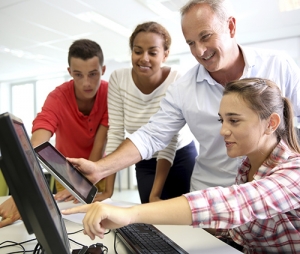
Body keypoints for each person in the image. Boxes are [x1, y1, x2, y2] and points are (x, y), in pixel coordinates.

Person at [64, 0, 300, 193]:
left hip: (271, 192)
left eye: (206, 36)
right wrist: (99, 169)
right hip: (212, 195)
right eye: (191, 43)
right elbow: (152, 136)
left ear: (230, 27)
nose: (199, 51)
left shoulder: (278, 66)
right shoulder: (184, 88)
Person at [63, 78, 300, 253]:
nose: (223, 130)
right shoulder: (248, 166)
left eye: (234, 120)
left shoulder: (294, 172)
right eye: (222, 120)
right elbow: (242, 227)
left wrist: (130, 214)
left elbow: (234, 203)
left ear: (271, 124)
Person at [0, 39, 115, 227]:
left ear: (102, 70)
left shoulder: (110, 93)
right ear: (69, 72)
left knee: (98, 223)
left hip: (98, 168)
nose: (86, 83)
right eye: (78, 75)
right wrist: (23, 191)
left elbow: (99, 145)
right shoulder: (58, 97)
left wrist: (85, 182)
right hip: (66, 173)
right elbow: (37, 143)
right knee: (68, 223)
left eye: (93, 74)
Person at [106, 21, 197, 203]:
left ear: (165, 55)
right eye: (138, 51)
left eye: (153, 52)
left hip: (179, 155)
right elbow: (115, 133)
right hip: (143, 156)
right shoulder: (118, 79)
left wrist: (156, 194)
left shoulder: (176, 80)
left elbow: (169, 141)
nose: (144, 58)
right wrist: (108, 191)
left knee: (181, 217)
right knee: (150, 216)